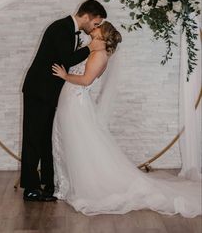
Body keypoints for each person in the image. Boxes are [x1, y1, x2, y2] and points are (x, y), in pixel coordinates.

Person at [52, 21, 201, 217]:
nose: (94, 26)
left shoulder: (100, 55)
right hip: (70, 102)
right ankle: (68, 184)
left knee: (80, 144)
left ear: (102, 34)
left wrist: (64, 75)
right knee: (74, 143)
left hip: (76, 104)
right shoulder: (92, 50)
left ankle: (82, 186)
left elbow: (86, 80)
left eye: (98, 26)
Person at [20, 0, 107, 201]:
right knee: (33, 139)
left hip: (50, 93)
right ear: (87, 16)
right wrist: (91, 48)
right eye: (95, 23)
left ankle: (48, 184)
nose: (95, 28)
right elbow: (66, 60)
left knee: (45, 140)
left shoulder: (69, 29)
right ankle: (31, 189)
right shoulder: (61, 27)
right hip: (38, 91)